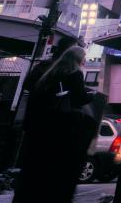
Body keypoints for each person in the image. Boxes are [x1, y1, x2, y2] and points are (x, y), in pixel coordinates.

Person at [15, 45, 94, 203]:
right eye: (84, 57)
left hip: (42, 125)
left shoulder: (52, 72)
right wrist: (91, 96)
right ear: (78, 58)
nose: (85, 60)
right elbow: (79, 99)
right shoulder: (75, 73)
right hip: (62, 126)